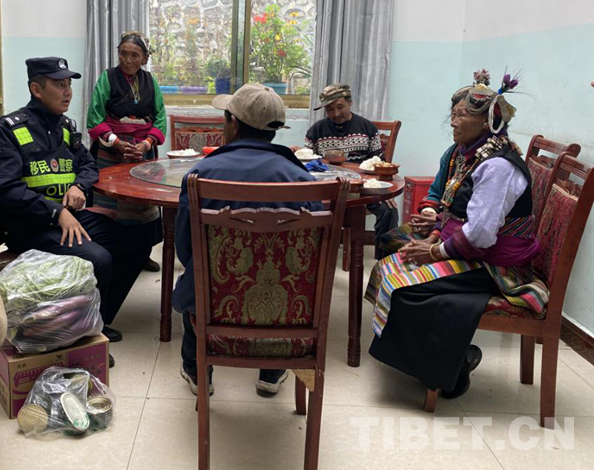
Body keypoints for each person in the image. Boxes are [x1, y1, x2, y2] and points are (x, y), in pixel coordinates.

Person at [365, 71, 549, 399]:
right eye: (453, 114)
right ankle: (434, 360)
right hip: (478, 252)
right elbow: (454, 211)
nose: (452, 121)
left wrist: (434, 252)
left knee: (404, 287)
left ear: (488, 122)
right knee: (390, 267)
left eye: (461, 115)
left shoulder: (496, 167)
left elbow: (479, 234)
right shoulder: (471, 155)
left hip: (497, 266)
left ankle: (452, 369)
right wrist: (435, 235)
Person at [172, 84, 323, 396]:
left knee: (194, 278)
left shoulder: (201, 175)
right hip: (285, 307)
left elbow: (185, 250)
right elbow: (313, 255)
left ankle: (198, 370)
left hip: (214, 300)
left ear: (233, 124)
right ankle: (272, 371)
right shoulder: (302, 179)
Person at [0, 57, 145, 351]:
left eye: (69, 84)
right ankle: (83, 340)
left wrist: (79, 185)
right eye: (59, 85)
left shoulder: (65, 127)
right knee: (98, 258)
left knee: (137, 242)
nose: (68, 92)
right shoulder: (10, 128)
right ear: (36, 89)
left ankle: (96, 322)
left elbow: (88, 165)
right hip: (31, 225)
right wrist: (56, 211)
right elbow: (8, 189)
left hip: (68, 218)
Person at [86, 31, 167, 272]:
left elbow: (160, 117)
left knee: (142, 201)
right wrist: (116, 142)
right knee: (112, 200)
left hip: (142, 151)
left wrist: (145, 144)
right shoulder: (107, 78)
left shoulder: (151, 82)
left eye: (135, 55)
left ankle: (142, 253)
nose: (128, 60)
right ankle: (111, 252)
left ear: (144, 58)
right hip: (111, 150)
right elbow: (95, 116)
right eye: (123, 54)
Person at [303, 83, 398, 258]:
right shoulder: (316, 131)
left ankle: (384, 261)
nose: (336, 113)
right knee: (304, 207)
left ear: (350, 102)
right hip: (328, 191)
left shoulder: (367, 129)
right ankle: (312, 258)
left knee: (389, 210)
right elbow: (307, 164)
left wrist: (386, 190)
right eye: (330, 109)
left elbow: (380, 163)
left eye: (340, 107)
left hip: (363, 190)